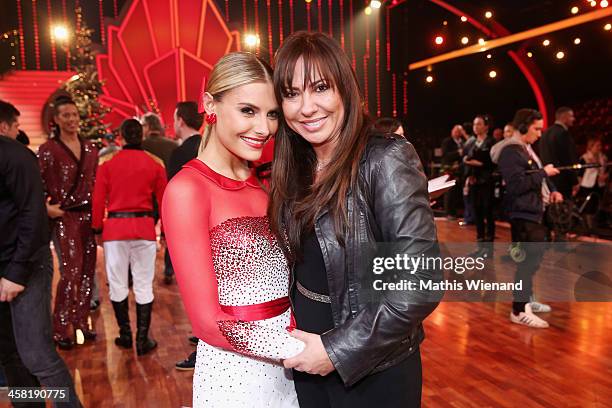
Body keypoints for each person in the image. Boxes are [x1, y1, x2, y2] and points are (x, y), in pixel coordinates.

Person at [269, 31, 441, 407]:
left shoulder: (384, 159)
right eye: (292, 94)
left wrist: (334, 349)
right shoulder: (294, 168)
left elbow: (422, 280)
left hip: (372, 369)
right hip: (305, 361)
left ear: (345, 88)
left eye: (320, 87)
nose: (307, 107)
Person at [162, 52, 305, 407]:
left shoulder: (266, 184)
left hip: (292, 375)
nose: (264, 128)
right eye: (248, 111)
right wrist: (310, 351)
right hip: (237, 379)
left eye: (272, 114)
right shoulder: (187, 190)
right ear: (209, 103)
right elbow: (209, 324)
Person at [0, 100, 82, 407]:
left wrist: (15, 273)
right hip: (9, 267)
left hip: (24, 267)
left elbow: (32, 217)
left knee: (37, 355)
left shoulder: (16, 156)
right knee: (9, 352)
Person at [92, 119, 167, 356]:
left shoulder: (107, 163)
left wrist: (96, 229)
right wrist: (164, 231)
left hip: (115, 230)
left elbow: (97, 199)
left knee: (117, 283)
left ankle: (125, 335)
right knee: (144, 284)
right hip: (144, 228)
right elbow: (165, 202)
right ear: (141, 135)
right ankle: (142, 340)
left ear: (122, 136)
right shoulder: (155, 164)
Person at [38, 96, 98, 350]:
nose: (72, 119)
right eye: (66, 115)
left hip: (89, 216)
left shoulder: (90, 148)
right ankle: (61, 326)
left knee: (88, 271)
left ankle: (82, 322)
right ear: (56, 119)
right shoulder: (48, 150)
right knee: (71, 271)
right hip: (66, 217)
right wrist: (46, 208)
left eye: (74, 114)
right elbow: (36, 185)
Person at [494, 109, 563, 328]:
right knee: (526, 263)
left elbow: (536, 176)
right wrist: (545, 174)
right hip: (523, 213)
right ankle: (519, 309)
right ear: (523, 127)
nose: (540, 134)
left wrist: (551, 188)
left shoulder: (526, 150)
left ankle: (527, 300)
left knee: (532, 263)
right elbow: (516, 185)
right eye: (536, 128)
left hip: (534, 211)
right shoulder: (510, 152)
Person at [166, 101, 204, 370]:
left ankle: (203, 346)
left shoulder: (179, 154)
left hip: (193, 234)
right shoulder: (209, 145)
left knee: (196, 290)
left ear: (180, 120)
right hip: (217, 229)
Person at [464, 114, 497, 247]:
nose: (475, 127)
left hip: (487, 180)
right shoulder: (471, 142)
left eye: (479, 124)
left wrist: (479, 163)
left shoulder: (491, 142)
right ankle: (480, 237)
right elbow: (465, 158)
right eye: (474, 124)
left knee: (487, 209)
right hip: (474, 180)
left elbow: (492, 161)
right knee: (476, 209)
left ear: (486, 127)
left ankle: (489, 238)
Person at [538, 106, 579, 199]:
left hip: (548, 180)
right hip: (563, 181)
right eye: (571, 116)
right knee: (563, 210)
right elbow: (567, 159)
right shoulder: (562, 133)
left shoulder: (545, 133)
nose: (573, 119)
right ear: (564, 117)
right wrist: (574, 181)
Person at [577, 136, 608, 229]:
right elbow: (580, 174)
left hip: (599, 185)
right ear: (591, 146)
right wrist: (577, 186)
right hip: (587, 186)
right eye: (597, 146)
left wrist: (605, 176)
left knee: (597, 207)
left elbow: (606, 170)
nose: (599, 147)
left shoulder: (603, 157)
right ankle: (589, 229)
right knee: (588, 208)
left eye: (600, 145)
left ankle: (595, 227)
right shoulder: (584, 158)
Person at [441, 124, 466, 220]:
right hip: (449, 169)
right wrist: (458, 153)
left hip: (460, 170)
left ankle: (457, 212)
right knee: (449, 192)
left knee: (457, 192)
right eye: (455, 131)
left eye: (459, 131)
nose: (457, 133)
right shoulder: (447, 141)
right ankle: (448, 213)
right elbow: (445, 155)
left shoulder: (462, 142)